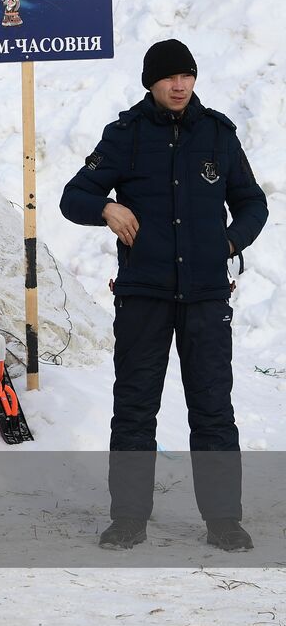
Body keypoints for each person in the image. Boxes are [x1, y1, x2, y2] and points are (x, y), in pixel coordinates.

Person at [60, 39, 267, 552]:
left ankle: (223, 520)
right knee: (134, 408)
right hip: (143, 295)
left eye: (187, 76)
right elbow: (72, 196)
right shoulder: (124, 135)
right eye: (169, 77)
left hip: (205, 298)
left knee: (214, 408)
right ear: (151, 82)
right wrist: (107, 208)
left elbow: (252, 203)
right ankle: (128, 519)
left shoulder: (218, 134)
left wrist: (228, 241)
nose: (179, 86)